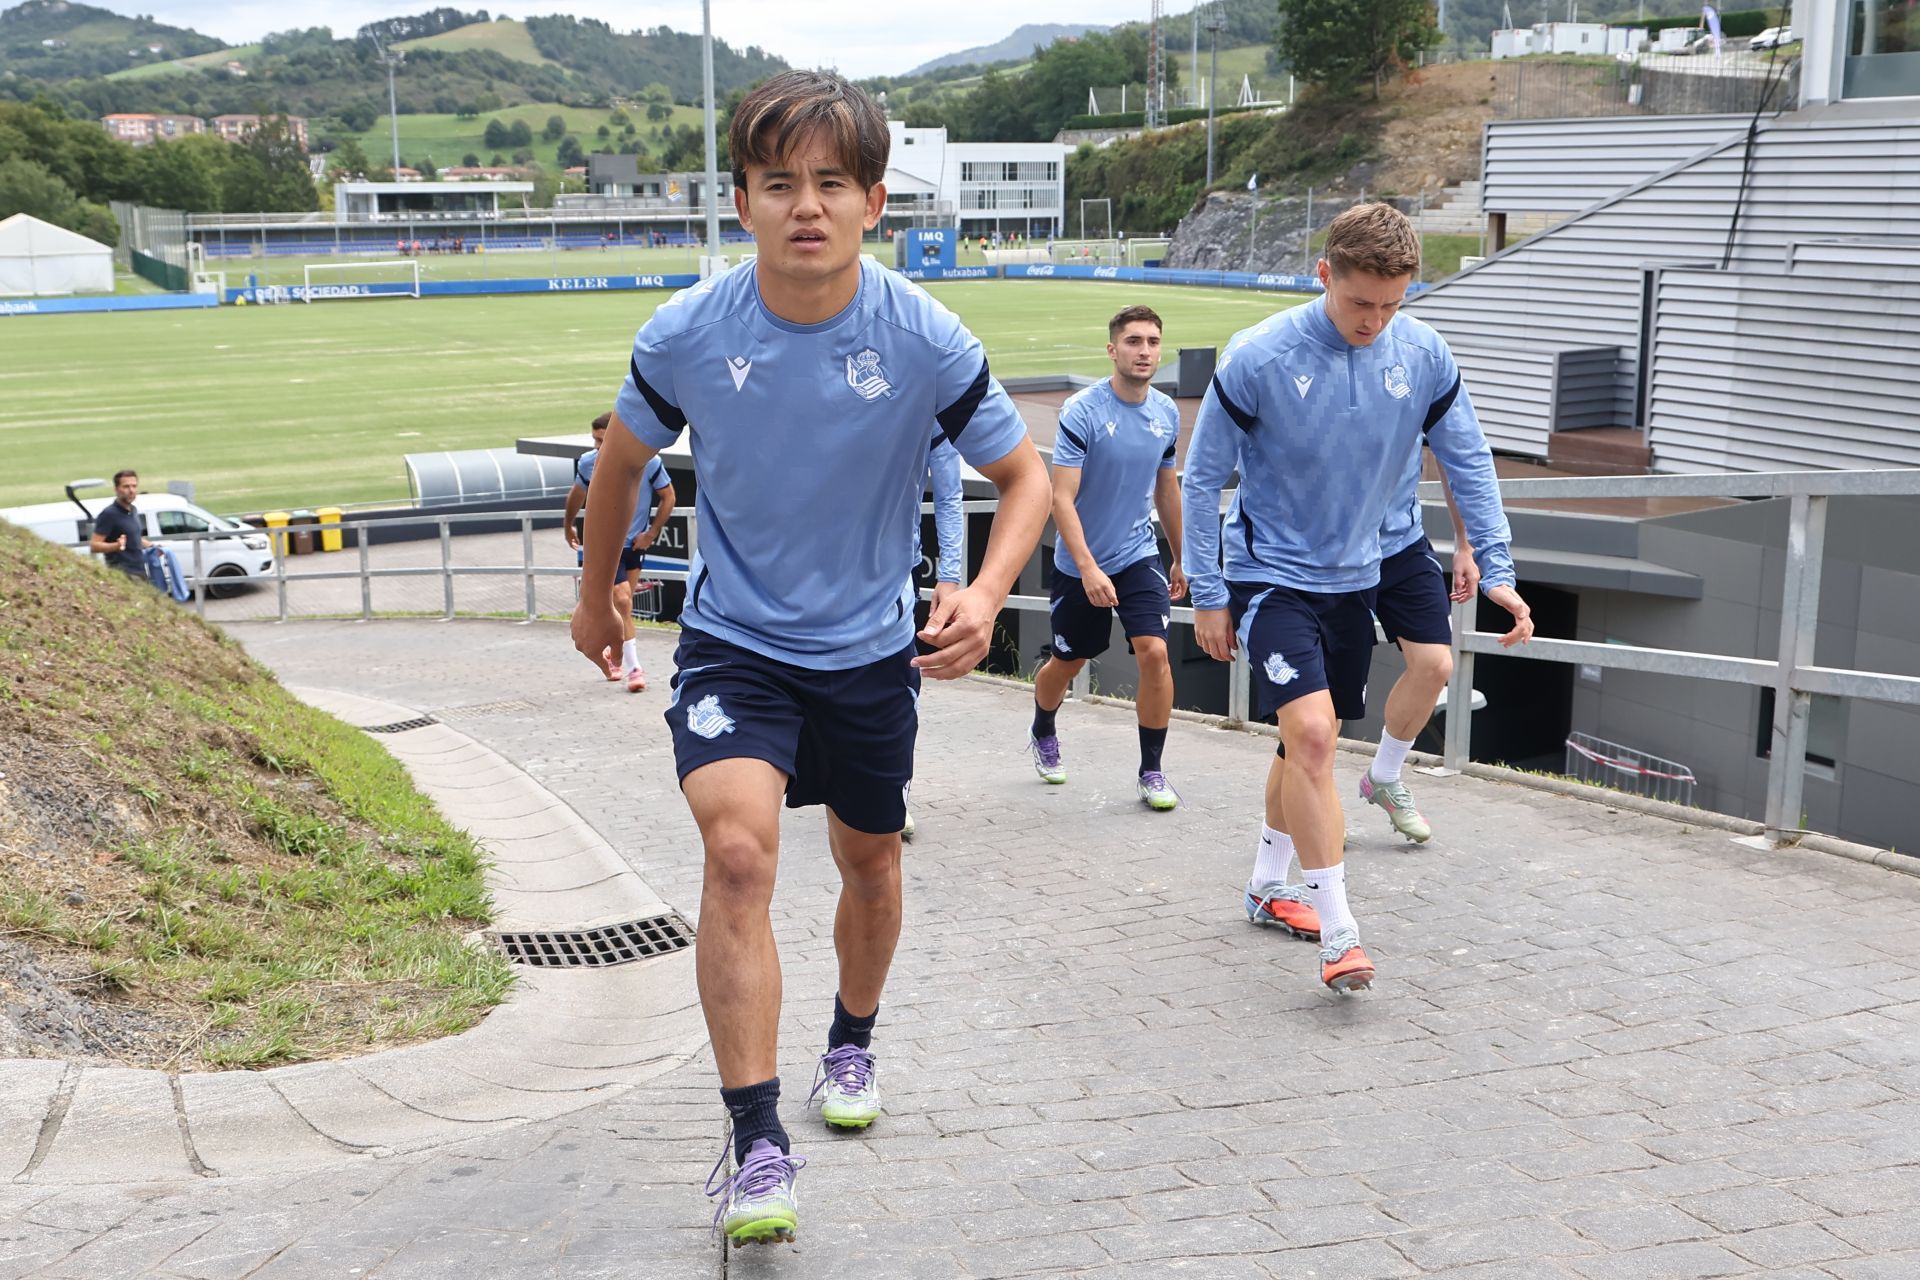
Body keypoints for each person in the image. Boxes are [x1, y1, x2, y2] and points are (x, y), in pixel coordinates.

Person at [570, 69, 1050, 1247]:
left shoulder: (925, 337)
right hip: (734, 642)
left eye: (832, 182)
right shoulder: (687, 333)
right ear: (742, 201)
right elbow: (623, 463)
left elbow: (1025, 476)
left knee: (869, 861)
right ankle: (755, 1138)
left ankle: (852, 1038)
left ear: (874, 202)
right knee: (738, 853)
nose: (807, 205)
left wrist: (986, 591)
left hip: (870, 651)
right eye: (778, 182)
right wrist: (597, 596)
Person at [1182, 202, 1533, 994]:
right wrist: (1208, 592)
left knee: (1307, 740)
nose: (1374, 321)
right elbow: (1200, 480)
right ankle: (1339, 929)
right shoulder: (1259, 356)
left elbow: (1469, 460)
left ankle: (1266, 884)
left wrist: (1499, 569)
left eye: (1391, 305)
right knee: (1311, 738)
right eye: (1358, 302)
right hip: (1274, 572)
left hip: (1365, 566)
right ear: (1323, 275)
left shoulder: (1424, 354)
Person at [1027, 305, 1186, 811]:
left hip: (1138, 554)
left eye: (1153, 342)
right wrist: (1089, 567)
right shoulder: (1082, 411)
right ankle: (1043, 727)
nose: (1145, 351)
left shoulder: (1166, 412)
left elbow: (1167, 489)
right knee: (1068, 661)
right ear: (1113, 349)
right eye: (1134, 341)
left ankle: (1151, 771)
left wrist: (1181, 556)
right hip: (1081, 564)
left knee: (1155, 653)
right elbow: (1060, 498)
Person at [1359, 473, 1479, 843]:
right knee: (1330, 689)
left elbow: (1456, 464)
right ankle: (1313, 804)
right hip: (1333, 548)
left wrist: (1464, 545)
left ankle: (1384, 775)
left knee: (1435, 664)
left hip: (1403, 546)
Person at [565, 412, 677, 691]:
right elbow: (576, 495)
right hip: (606, 546)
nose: (598, 447)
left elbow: (668, 497)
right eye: (595, 441)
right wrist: (568, 525)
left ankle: (612, 656)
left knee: (621, 605)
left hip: (633, 546)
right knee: (624, 600)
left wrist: (651, 533)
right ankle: (634, 667)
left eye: (603, 441)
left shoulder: (649, 462)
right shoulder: (589, 462)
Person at [903, 438, 966, 842]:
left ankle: (895, 789)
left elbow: (948, 491)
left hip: (895, 568)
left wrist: (950, 574)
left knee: (900, 676)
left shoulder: (929, 406)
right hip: (818, 566)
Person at [88, 470, 146, 580]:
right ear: (116, 489)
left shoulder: (133, 510)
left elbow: (134, 538)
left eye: (134, 486)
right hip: (123, 575)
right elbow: (94, 545)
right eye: (126, 487)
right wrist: (116, 546)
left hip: (140, 572)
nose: (131, 490)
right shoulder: (109, 514)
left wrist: (153, 546)